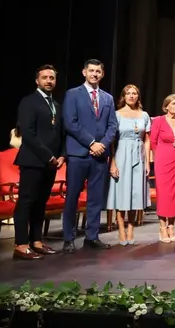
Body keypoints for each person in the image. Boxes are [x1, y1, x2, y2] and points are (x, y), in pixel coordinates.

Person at [62, 59, 118, 252]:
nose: (94, 74)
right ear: (84, 72)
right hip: (78, 154)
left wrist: (103, 144)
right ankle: (68, 238)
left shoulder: (108, 98)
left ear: (102, 74)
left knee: (96, 198)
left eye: (98, 71)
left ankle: (92, 237)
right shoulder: (72, 94)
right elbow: (70, 123)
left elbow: (112, 125)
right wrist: (92, 143)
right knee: (72, 197)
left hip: (100, 155)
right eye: (91, 71)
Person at [13, 64, 65, 260]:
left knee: (41, 202)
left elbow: (61, 134)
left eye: (52, 78)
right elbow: (28, 133)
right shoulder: (29, 102)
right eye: (45, 77)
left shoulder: (56, 105)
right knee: (26, 202)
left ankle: (36, 241)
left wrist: (62, 155)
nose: (49, 81)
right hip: (33, 160)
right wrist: (48, 156)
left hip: (51, 163)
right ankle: (21, 244)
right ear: (37, 81)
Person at [107, 84, 151, 246]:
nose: (131, 96)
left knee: (135, 194)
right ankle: (121, 230)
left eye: (134, 93)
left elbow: (147, 140)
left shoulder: (144, 115)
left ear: (138, 96)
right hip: (122, 154)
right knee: (122, 193)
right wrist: (113, 162)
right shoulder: (117, 114)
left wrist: (147, 162)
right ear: (124, 97)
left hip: (139, 155)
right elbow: (112, 141)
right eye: (128, 93)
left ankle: (131, 229)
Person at [150, 94, 175, 242]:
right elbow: (153, 142)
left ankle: (171, 226)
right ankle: (162, 227)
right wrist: (158, 157)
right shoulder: (158, 121)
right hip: (163, 160)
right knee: (164, 194)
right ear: (166, 106)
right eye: (173, 103)